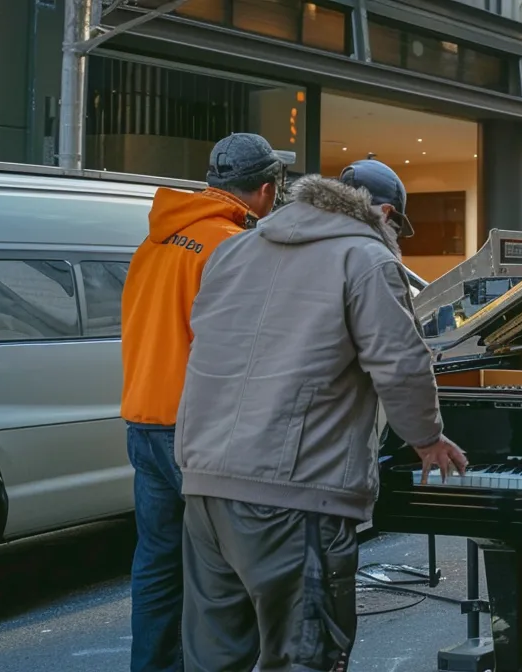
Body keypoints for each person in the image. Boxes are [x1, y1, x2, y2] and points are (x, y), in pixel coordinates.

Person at [174, 160, 468, 671]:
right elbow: (400, 363)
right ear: (387, 213)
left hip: (205, 489)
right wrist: (427, 438)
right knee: (303, 658)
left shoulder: (234, 250)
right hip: (294, 495)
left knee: (215, 661)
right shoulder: (366, 258)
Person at [120, 132, 289, 672]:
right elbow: (248, 346)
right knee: (220, 576)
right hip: (197, 430)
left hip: (143, 423)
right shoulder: (231, 246)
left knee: (156, 566)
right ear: (265, 190)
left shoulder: (154, 242)